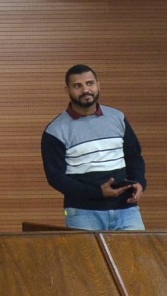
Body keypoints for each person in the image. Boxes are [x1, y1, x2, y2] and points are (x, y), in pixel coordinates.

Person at [42, 64, 146, 231]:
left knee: (136, 257)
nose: (85, 90)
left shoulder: (117, 117)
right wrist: (98, 192)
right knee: (87, 259)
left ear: (98, 85)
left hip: (127, 210)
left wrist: (140, 182)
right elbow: (56, 177)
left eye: (89, 83)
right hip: (83, 213)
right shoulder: (55, 130)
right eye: (78, 86)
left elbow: (134, 156)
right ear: (67, 89)